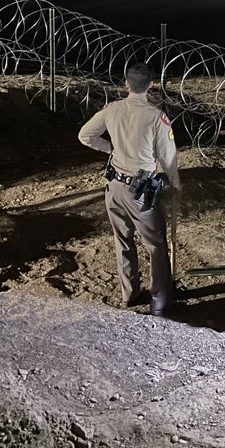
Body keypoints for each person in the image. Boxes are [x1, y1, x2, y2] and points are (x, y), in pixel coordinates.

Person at [79, 62, 180, 317]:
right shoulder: (156, 116)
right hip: (141, 191)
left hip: (113, 187)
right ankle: (160, 302)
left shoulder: (112, 110)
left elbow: (86, 135)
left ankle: (129, 293)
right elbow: (168, 157)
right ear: (151, 85)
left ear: (126, 84)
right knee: (156, 245)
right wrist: (175, 182)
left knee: (122, 240)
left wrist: (110, 149)